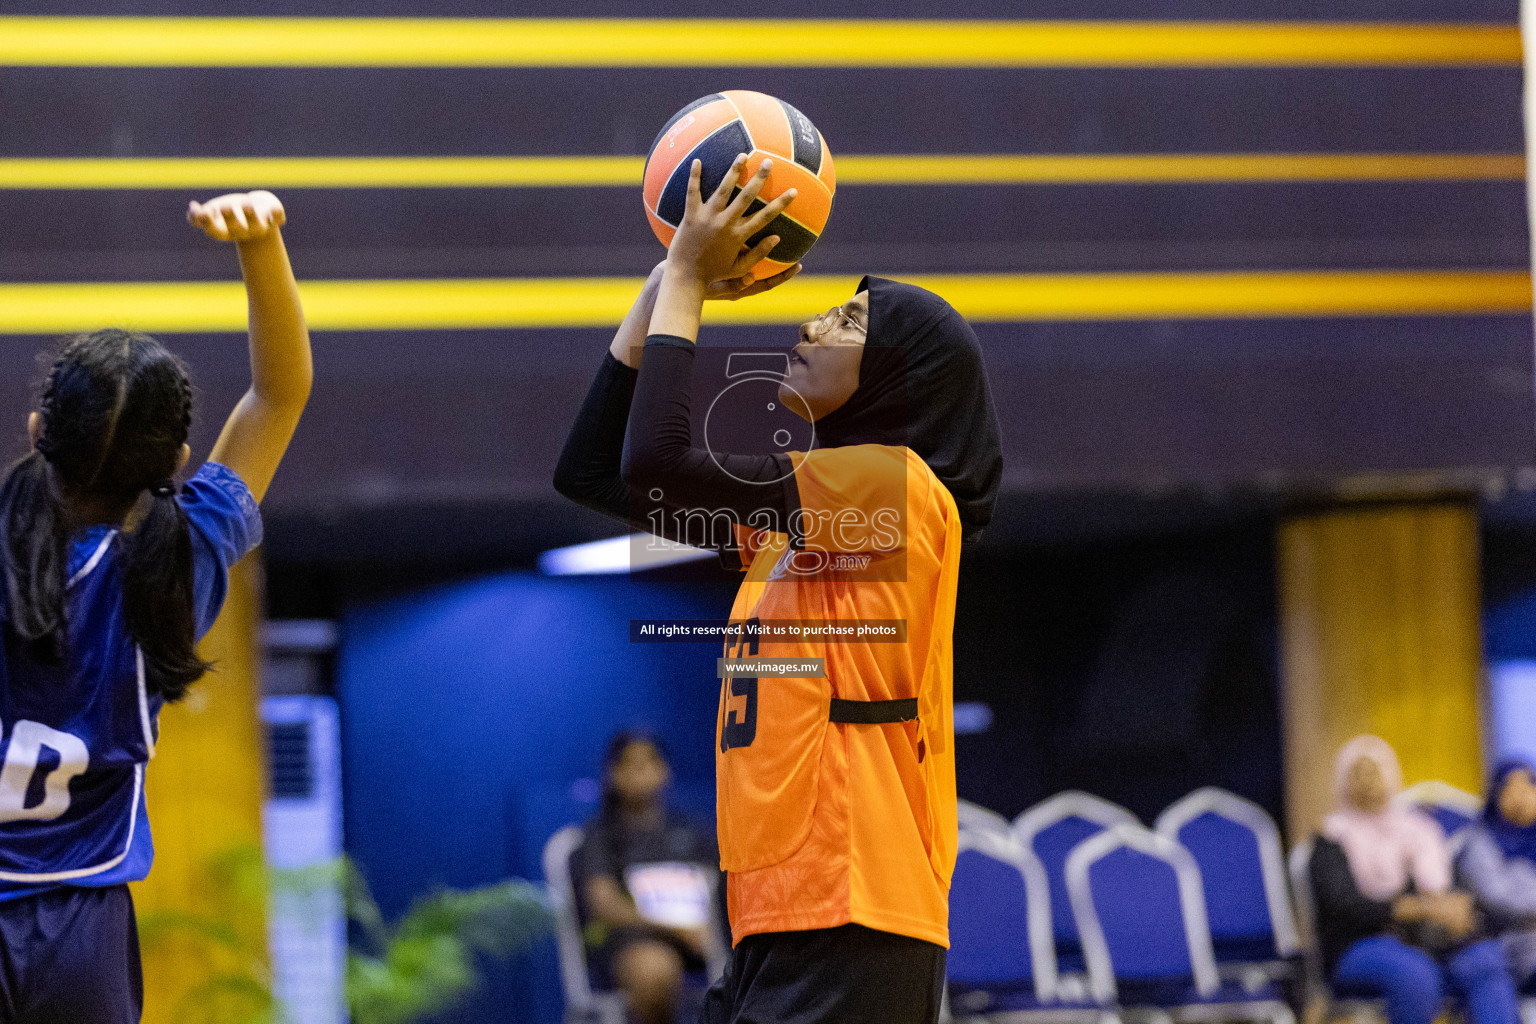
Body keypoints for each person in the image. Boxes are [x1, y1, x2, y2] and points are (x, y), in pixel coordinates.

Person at [555, 155, 1002, 1024]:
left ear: (896, 375)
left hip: (856, 906)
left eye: (846, 320)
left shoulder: (894, 491)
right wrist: (661, 286)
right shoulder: (811, 523)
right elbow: (594, 474)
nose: (808, 323)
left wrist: (689, 275)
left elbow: (659, 461)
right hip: (787, 916)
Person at [0, 190, 311, 1023]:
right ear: (177, 459)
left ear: (36, 429)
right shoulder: (173, 566)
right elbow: (279, 395)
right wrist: (263, 246)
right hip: (83, 928)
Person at [1309, 735, 1521, 1024]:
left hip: (1431, 942)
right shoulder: (1330, 839)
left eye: (1376, 772)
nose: (1370, 782)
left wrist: (1455, 909)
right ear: (1344, 779)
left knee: (1485, 963)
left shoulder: (1419, 833)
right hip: (1361, 946)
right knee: (1415, 975)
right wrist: (1413, 908)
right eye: (1360, 773)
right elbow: (1345, 905)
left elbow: (1449, 890)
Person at [573, 731, 719, 1024]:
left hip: (702, 942)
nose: (642, 772)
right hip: (629, 944)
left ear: (665, 770)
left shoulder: (693, 831)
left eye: (650, 762)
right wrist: (675, 928)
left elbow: (721, 889)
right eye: (631, 764)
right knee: (655, 971)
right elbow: (605, 903)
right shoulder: (599, 835)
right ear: (613, 773)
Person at [1458, 759, 1536, 991]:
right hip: (1505, 939)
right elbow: (1496, 898)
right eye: (1511, 789)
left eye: (1528, 789)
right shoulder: (1480, 842)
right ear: (1495, 795)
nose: (1520, 798)